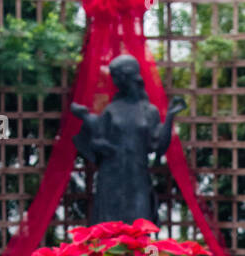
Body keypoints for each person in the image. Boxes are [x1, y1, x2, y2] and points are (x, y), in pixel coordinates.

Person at [72, 53, 187, 225]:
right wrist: (103, 146)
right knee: (109, 230)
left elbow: (159, 146)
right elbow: (94, 142)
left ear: (128, 77)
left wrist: (169, 117)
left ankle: (149, 254)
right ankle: (108, 254)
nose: (115, 82)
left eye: (117, 77)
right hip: (111, 177)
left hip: (137, 177)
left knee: (142, 229)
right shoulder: (111, 110)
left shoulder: (149, 111)